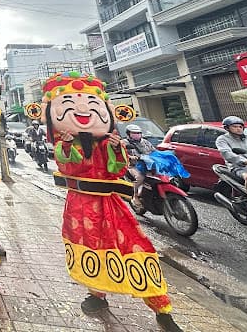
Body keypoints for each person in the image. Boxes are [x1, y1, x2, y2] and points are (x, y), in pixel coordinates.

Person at [40, 72, 182, 332]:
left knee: (136, 249)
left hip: (110, 205)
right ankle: (97, 294)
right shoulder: (64, 145)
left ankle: (161, 307)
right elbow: (70, 167)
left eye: (92, 104)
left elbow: (117, 169)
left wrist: (117, 148)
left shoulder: (109, 142)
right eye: (70, 104)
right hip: (79, 207)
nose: (83, 110)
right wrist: (69, 145)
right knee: (89, 253)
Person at [216, 115, 247, 217]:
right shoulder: (222, 139)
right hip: (237, 166)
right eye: (235, 126)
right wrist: (243, 161)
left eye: (240, 126)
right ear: (227, 128)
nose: (238, 129)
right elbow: (226, 153)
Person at [122, 124, 155, 208]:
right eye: (134, 133)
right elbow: (120, 154)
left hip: (147, 165)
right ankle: (134, 196)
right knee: (140, 177)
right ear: (128, 134)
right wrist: (130, 157)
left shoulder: (145, 142)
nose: (137, 135)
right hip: (132, 166)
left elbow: (154, 151)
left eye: (138, 133)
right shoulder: (124, 143)